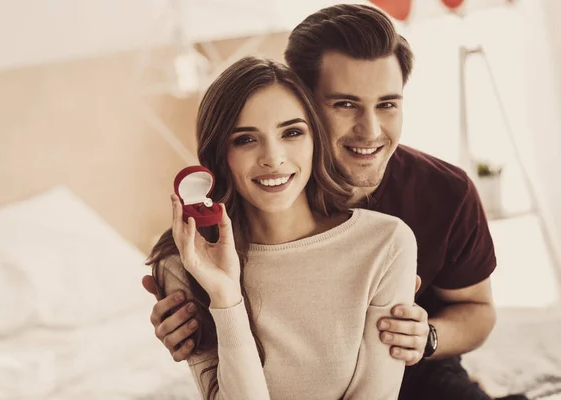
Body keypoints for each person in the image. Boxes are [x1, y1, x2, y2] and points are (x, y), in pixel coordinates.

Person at [144, 4, 518, 400]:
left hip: (420, 368)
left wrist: (425, 337)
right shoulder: (229, 227)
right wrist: (206, 313)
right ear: (301, 99)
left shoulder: (439, 195)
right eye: (345, 104)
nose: (370, 131)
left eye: (387, 104)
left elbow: (478, 309)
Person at [147, 56, 417, 399]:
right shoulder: (186, 262)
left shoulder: (386, 243)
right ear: (220, 154)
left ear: (315, 139)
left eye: (292, 132)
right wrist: (226, 298)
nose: (272, 158)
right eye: (245, 139)